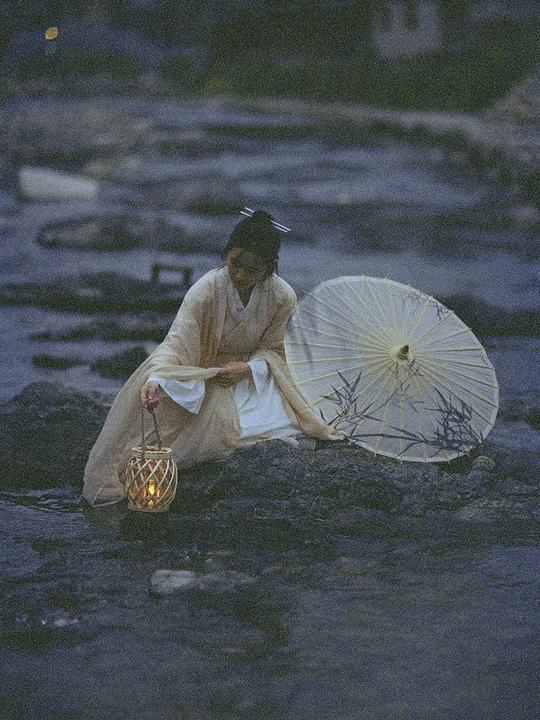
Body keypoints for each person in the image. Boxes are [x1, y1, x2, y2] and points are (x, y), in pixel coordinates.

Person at [82, 209, 340, 506]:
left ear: (269, 268)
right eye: (235, 263)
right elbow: (177, 343)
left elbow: (276, 350)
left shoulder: (282, 296)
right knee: (197, 437)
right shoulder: (206, 290)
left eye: (252, 270)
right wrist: (154, 380)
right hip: (206, 376)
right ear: (226, 253)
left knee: (287, 424)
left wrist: (248, 368)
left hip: (252, 376)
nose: (240, 275)